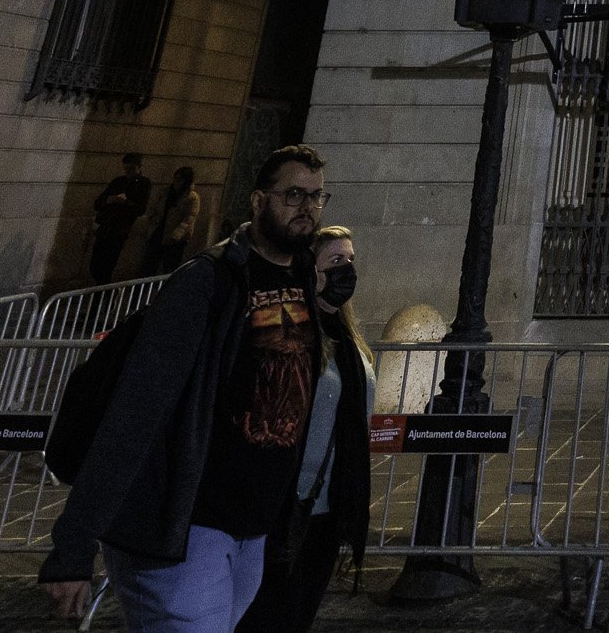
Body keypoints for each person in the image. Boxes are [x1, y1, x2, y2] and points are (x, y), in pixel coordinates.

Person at [39, 145, 363, 633]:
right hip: (187, 525)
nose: (308, 208)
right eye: (293, 194)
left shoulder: (300, 281)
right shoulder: (208, 282)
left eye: (317, 196)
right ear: (258, 201)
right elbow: (134, 413)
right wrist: (74, 546)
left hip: (252, 530)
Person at [233, 226, 370, 633]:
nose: (347, 270)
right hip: (280, 501)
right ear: (310, 268)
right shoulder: (288, 326)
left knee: (298, 616)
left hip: (326, 505)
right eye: (335, 262)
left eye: (350, 260)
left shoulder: (348, 336)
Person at [90, 154, 154, 284]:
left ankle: (101, 297)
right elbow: (98, 203)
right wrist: (109, 200)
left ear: (138, 168)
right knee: (94, 266)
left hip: (119, 231)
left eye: (131, 169)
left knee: (107, 267)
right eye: (125, 169)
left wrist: (126, 202)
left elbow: (141, 209)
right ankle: (109, 293)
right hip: (105, 228)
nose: (127, 172)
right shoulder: (118, 182)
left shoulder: (143, 184)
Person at [150, 165, 207, 272]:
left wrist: (176, 236)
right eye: (175, 179)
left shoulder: (192, 197)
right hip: (159, 231)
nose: (176, 183)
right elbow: (156, 209)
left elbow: (189, 218)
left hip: (176, 238)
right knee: (150, 263)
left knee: (170, 265)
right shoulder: (167, 192)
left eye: (179, 180)